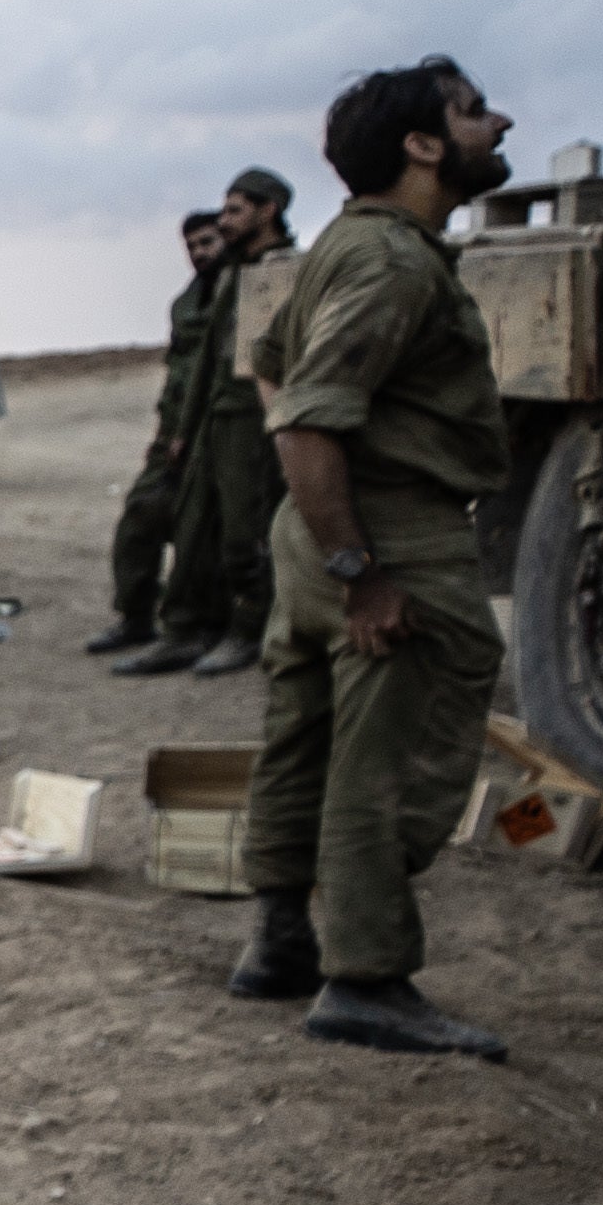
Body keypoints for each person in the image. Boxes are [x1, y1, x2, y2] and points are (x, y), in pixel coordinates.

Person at [231, 57, 515, 1058]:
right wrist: (364, 571)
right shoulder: (393, 262)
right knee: (386, 759)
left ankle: (277, 943)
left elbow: (271, 370)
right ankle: (367, 979)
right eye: (475, 115)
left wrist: (323, 536)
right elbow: (305, 423)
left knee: (304, 736)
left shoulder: (347, 249)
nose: (500, 125)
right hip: (377, 527)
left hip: (323, 526)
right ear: (422, 147)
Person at [158, 171, 298, 675]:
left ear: (268, 211)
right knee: (193, 525)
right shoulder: (232, 274)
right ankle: (189, 630)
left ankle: (250, 631)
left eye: (236, 209)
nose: (225, 220)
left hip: (253, 420)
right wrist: (183, 430)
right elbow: (207, 362)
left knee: (248, 534)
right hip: (215, 417)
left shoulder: (284, 271)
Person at [86, 207, 230, 661]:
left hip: (221, 433)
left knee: (199, 534)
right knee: (140, 517)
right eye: (192, 246)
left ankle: (197, 627)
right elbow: (179, 377)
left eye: (208, 242)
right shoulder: (186, 304)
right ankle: (135, 616)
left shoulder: (239, 295)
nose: (200, 253)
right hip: (175, 435)